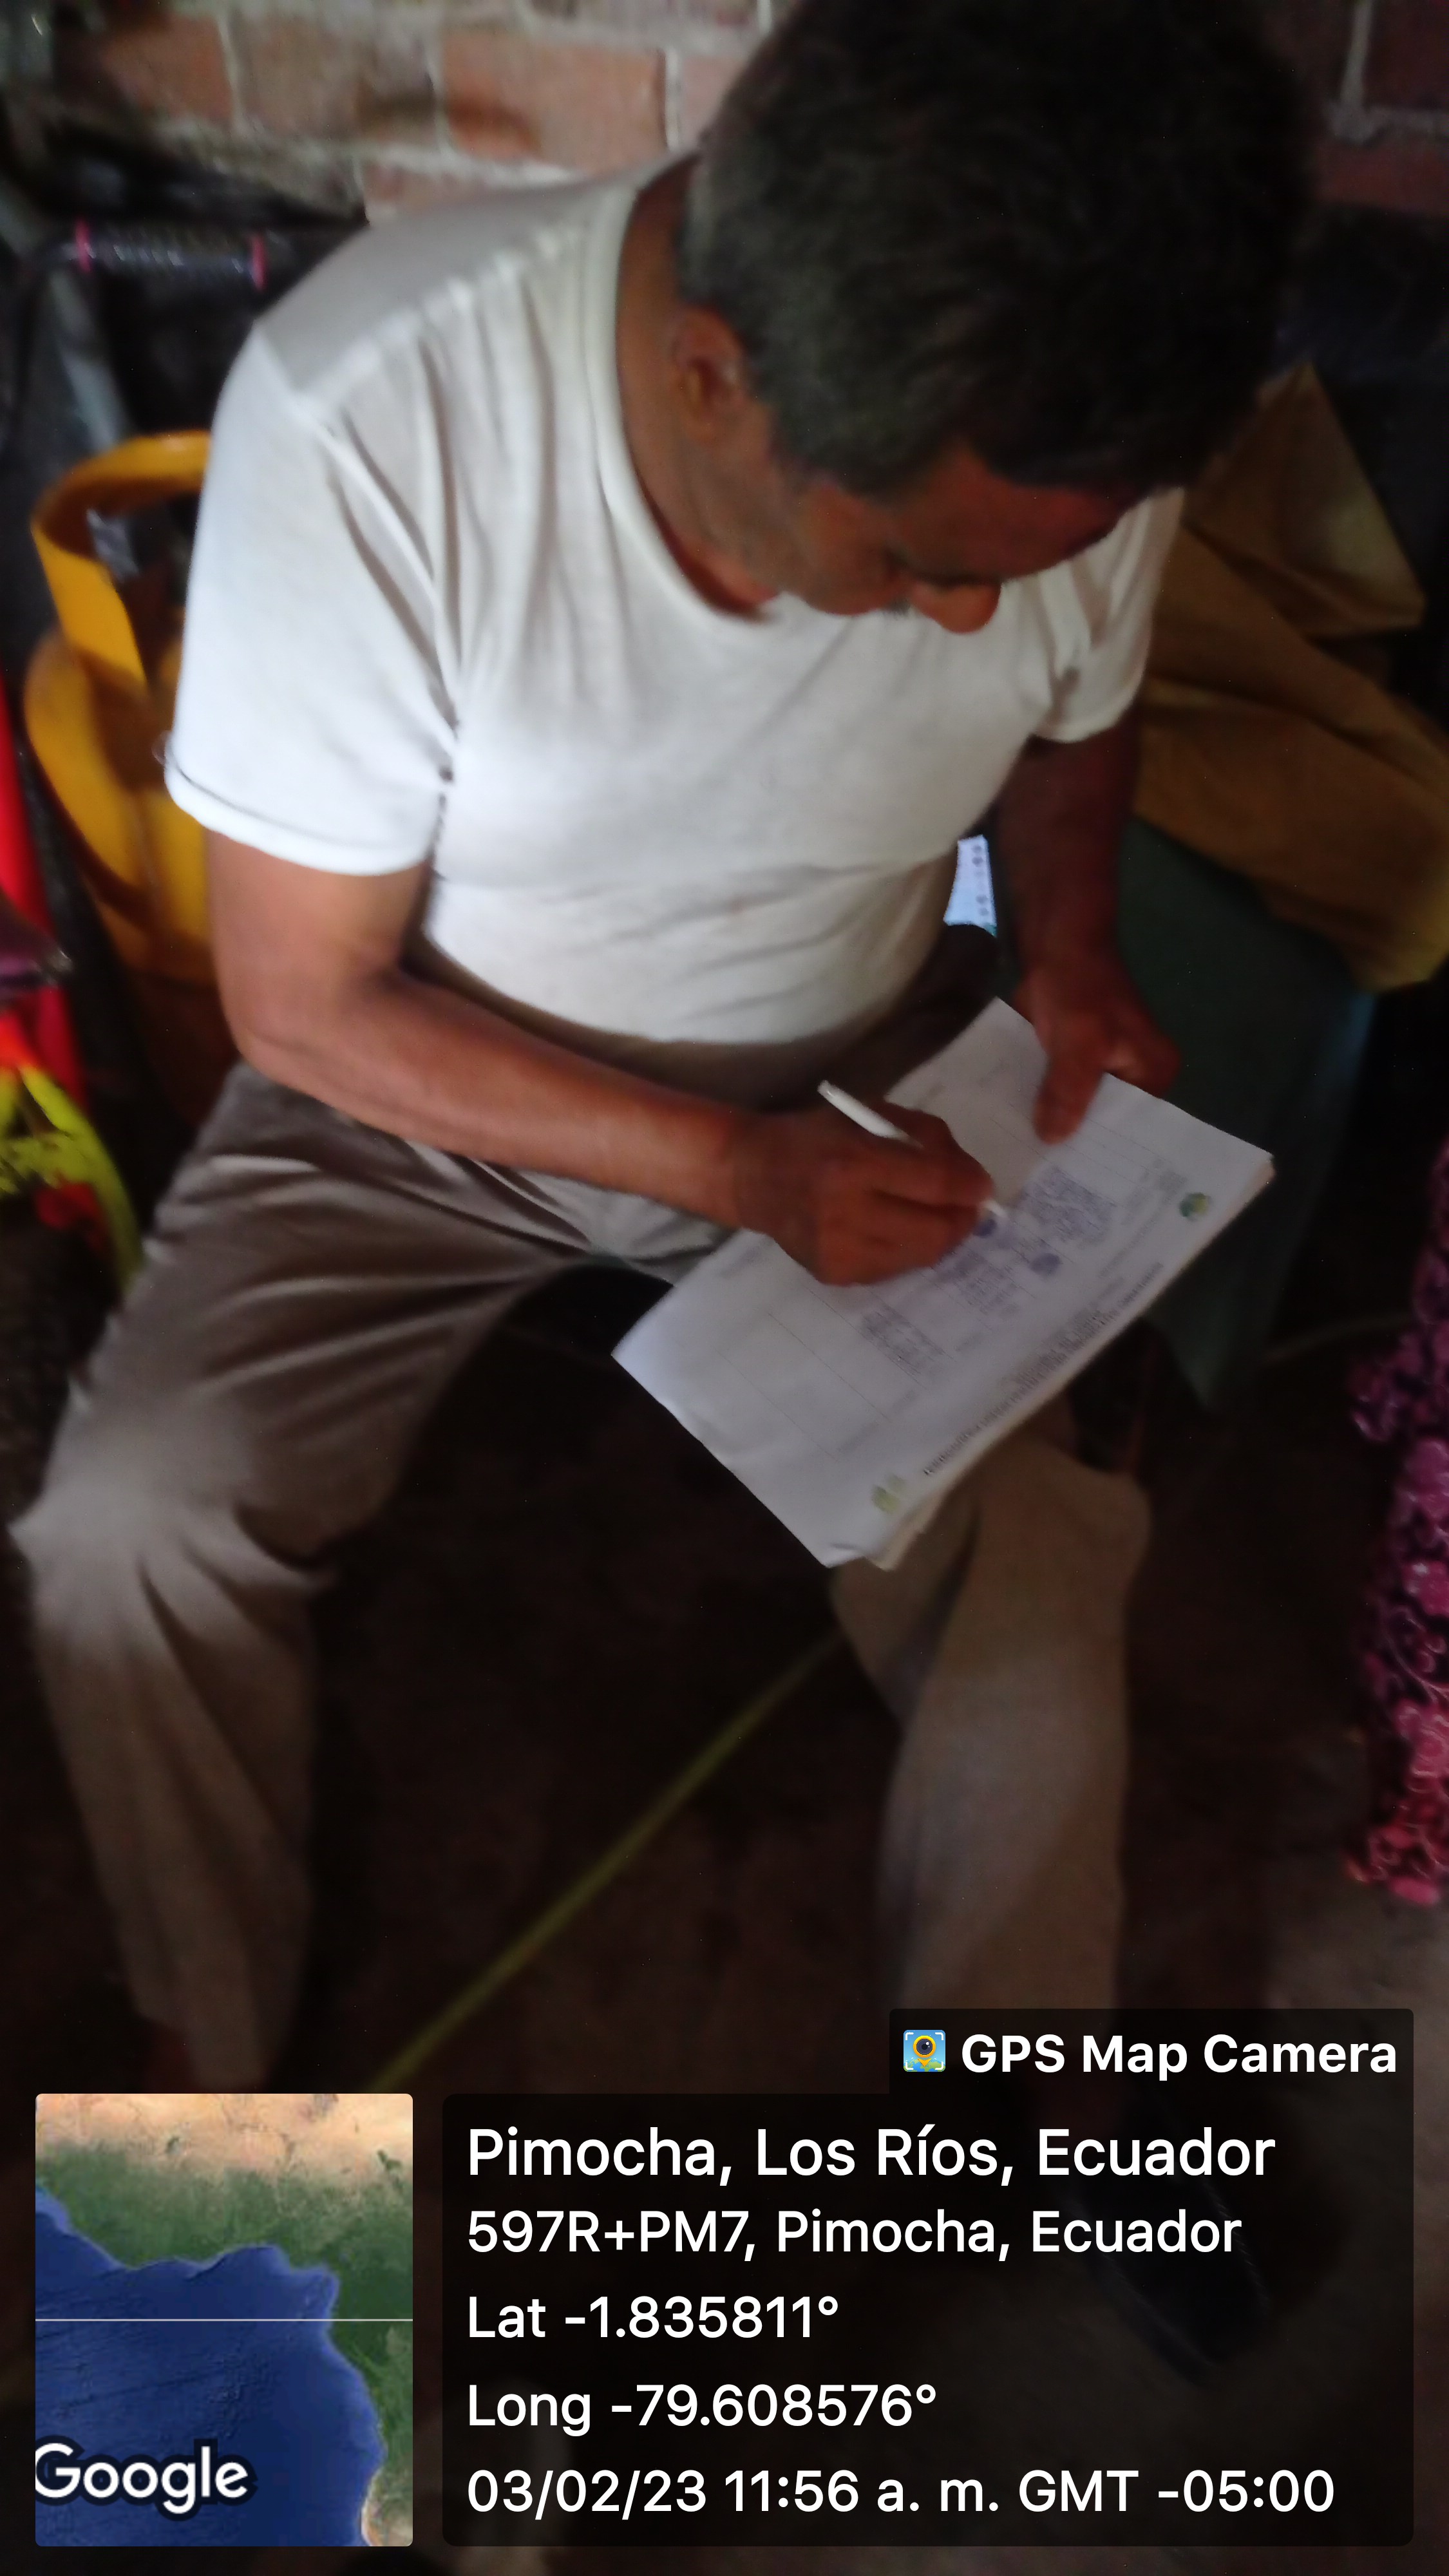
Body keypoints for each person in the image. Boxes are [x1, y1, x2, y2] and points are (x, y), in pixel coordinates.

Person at [14, 0, 1305, 2085]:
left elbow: (1074, 720)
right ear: (712, 377)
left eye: (1025, 571)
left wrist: (1067, 948)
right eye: (914, 565)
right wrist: (729, 1173)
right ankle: (216, 2087)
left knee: (1038, 1578)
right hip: (429, 1092)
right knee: (130, 1534)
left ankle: (1006, 2145)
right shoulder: (378, 421)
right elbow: (302, 1002)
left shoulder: (1061, 411)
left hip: (863, 1067)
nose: (967, 623)